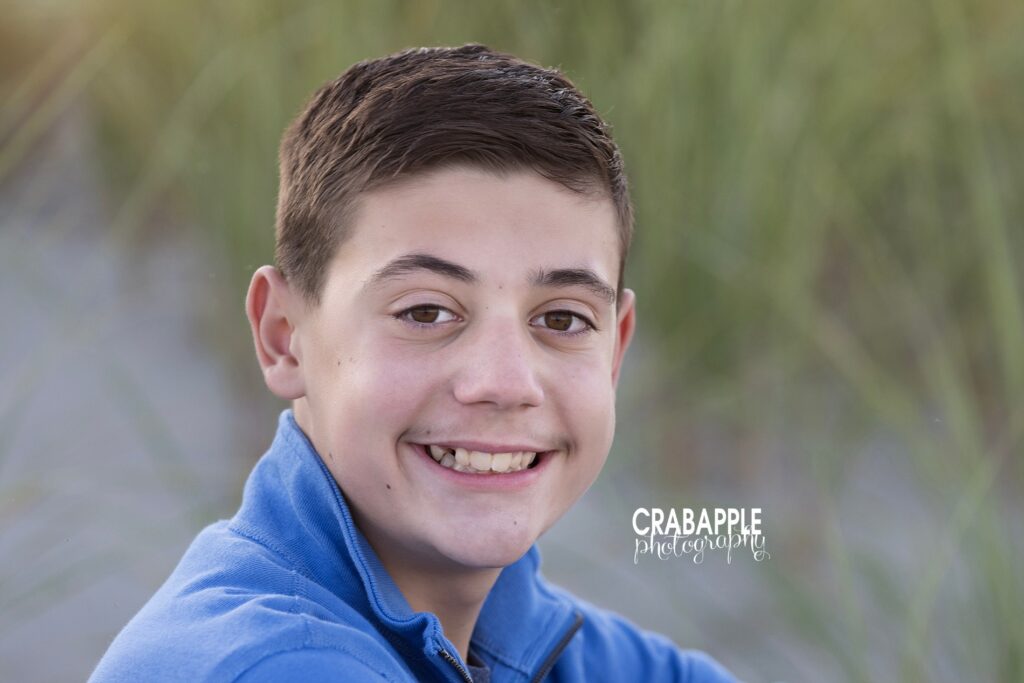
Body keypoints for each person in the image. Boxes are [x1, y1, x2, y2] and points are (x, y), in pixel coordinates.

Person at [90, 44, 736, 682]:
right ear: (284, 336)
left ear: (616, 350)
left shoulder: (545, 642)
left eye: (562, 319)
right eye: (426, 312)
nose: (505, 383)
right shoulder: (265, 664)